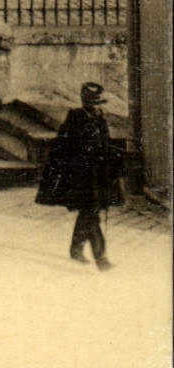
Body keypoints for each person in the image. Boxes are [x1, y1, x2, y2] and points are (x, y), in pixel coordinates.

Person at [35, 81, 124, 270]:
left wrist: (112, 162)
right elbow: (62, 147)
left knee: (89, 213)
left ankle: (75, 248)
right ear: (86, 101)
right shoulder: (75, 117)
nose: (97, 106)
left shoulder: (100, 119)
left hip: (98, 175)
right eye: (93, 102)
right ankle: (101, 258)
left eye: (99, 103)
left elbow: (106, 145)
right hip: (81, 176)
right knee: (91, 214)